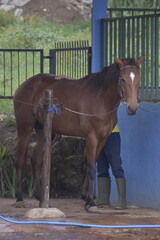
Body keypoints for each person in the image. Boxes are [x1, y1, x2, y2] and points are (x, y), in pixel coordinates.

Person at [96, 124, 127, 209]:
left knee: (116, 165)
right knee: (101, 167)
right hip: (97, 133)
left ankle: (122, 201)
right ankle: (103, 200)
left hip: (112, 133)